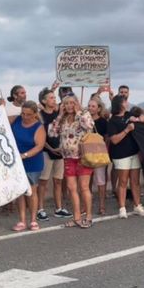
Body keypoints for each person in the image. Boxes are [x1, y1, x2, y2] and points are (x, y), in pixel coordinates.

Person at [48, 96, 94, 229]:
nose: (69, 106)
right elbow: (52, 133)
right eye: (66, 103)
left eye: (71, 103)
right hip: (68, 157)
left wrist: (79, 112)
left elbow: (89, 126)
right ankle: (77, 217)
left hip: (83, 157)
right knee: (71, 188)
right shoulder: (62, 119)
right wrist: (60, 115)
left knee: (84, 187)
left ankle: (89, 216)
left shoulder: (83, 114)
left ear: (76, 103)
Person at [108, 95, 144, 218]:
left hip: (134, 153)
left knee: (135, 182)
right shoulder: (112, 121)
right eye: (125, 101)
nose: (127, 103)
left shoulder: (128, 115)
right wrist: (127, 130)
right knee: (123, 181)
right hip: (120, 155)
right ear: (120, 104)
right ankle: (122, 208)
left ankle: (137, 205)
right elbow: (114, 140)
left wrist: (139, 119)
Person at [9, 101, 45, 231]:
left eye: (28, 114)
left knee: (31, 191)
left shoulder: (38, 127)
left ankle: (33, 220)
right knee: (20, 191)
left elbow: (39, 146)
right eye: (23, 113)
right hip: (17, 162)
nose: (24, 116)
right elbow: (0, 119)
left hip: (32, 162)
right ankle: (22, 220)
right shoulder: (17, 119)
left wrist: (24, 155)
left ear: (35, 114)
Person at [36, 87, 70, 221]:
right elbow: (40, 137)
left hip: (59, 152)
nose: (54, 99)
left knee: (58, 181)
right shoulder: (39, 116)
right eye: (51, 97)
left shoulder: (58, 115)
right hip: (46, 152)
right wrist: (51, 148)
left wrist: (61, 147)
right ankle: (40, 209)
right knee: (43, 182)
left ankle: (59, 208)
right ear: (43, 101)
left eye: (54, 97)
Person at [87, 98, 110, 215]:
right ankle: (87, 205)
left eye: (93, 106)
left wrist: (104, 150)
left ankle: (101, 205)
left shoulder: (103, 122)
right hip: (86, 154)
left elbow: (107, 138)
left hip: (98, 154)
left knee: (101, 181)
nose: (90, 108)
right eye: (89, 106)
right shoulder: (84, 121)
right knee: (87, 181)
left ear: (99, 108)